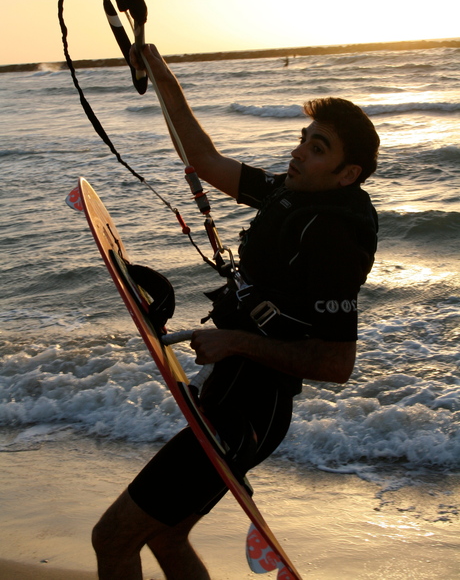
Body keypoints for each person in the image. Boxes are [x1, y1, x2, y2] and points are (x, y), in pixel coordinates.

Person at [91, 44, 380, 580]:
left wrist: (236, 342)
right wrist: (156, 67)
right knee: (167, 537)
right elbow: (202, 158)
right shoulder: (291, 195)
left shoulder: (335, 237)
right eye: (303, 139)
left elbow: (337, 364)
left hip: (247, 415)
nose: (299, 152)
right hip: (230, 398)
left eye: (318, 147)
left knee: (111, 538)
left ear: (347, 173)